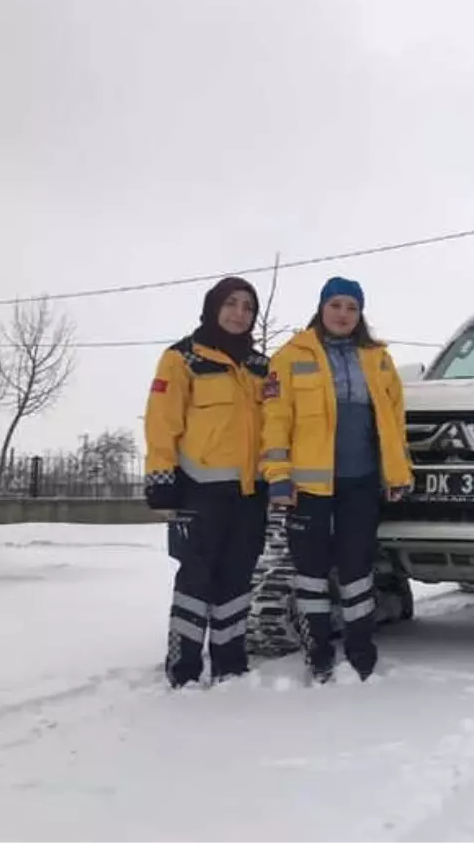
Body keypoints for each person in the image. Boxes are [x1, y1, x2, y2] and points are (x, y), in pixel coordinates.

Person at [260, 277, 413, 683]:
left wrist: (397, 473)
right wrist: (278, 476)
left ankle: (362, 653)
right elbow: (275, 422)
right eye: (336, 306)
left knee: (356, 569)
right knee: (310, 572)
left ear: (360, 314)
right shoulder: (290, 356)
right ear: (321, 308)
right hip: (307, 488)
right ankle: (319, 652)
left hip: (360, 482)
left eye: (352, 307)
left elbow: (393, 421)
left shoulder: (377, 358)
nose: (343, 314)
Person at [143, 276, 271, 688]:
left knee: (237, 578)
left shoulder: (260, 367)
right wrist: (161, 480)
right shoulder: (181, 358)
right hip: (198, 490)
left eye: (248, 307)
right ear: (214, 306)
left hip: (250, 494)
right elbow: (162, 423)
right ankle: (183, 669)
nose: (239, 313)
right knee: (197, 579)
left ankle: (230, 665)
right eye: (231, 303)